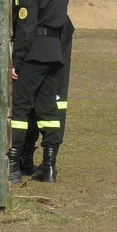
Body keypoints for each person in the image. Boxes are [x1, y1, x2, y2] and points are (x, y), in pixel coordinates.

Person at [8, 0, 70, 183]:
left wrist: (17, 60)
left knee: (21, 108)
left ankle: (13, 166)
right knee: (48, 110)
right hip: (55, 53)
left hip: (34, 53)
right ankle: (49, 167)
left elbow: (26, 25)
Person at [21, 15, 73, 177]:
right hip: (56, 60)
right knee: (52, 107)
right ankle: (47, 164)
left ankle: (31, 160)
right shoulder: (59, 16)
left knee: (33, 104)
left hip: (45, 56)